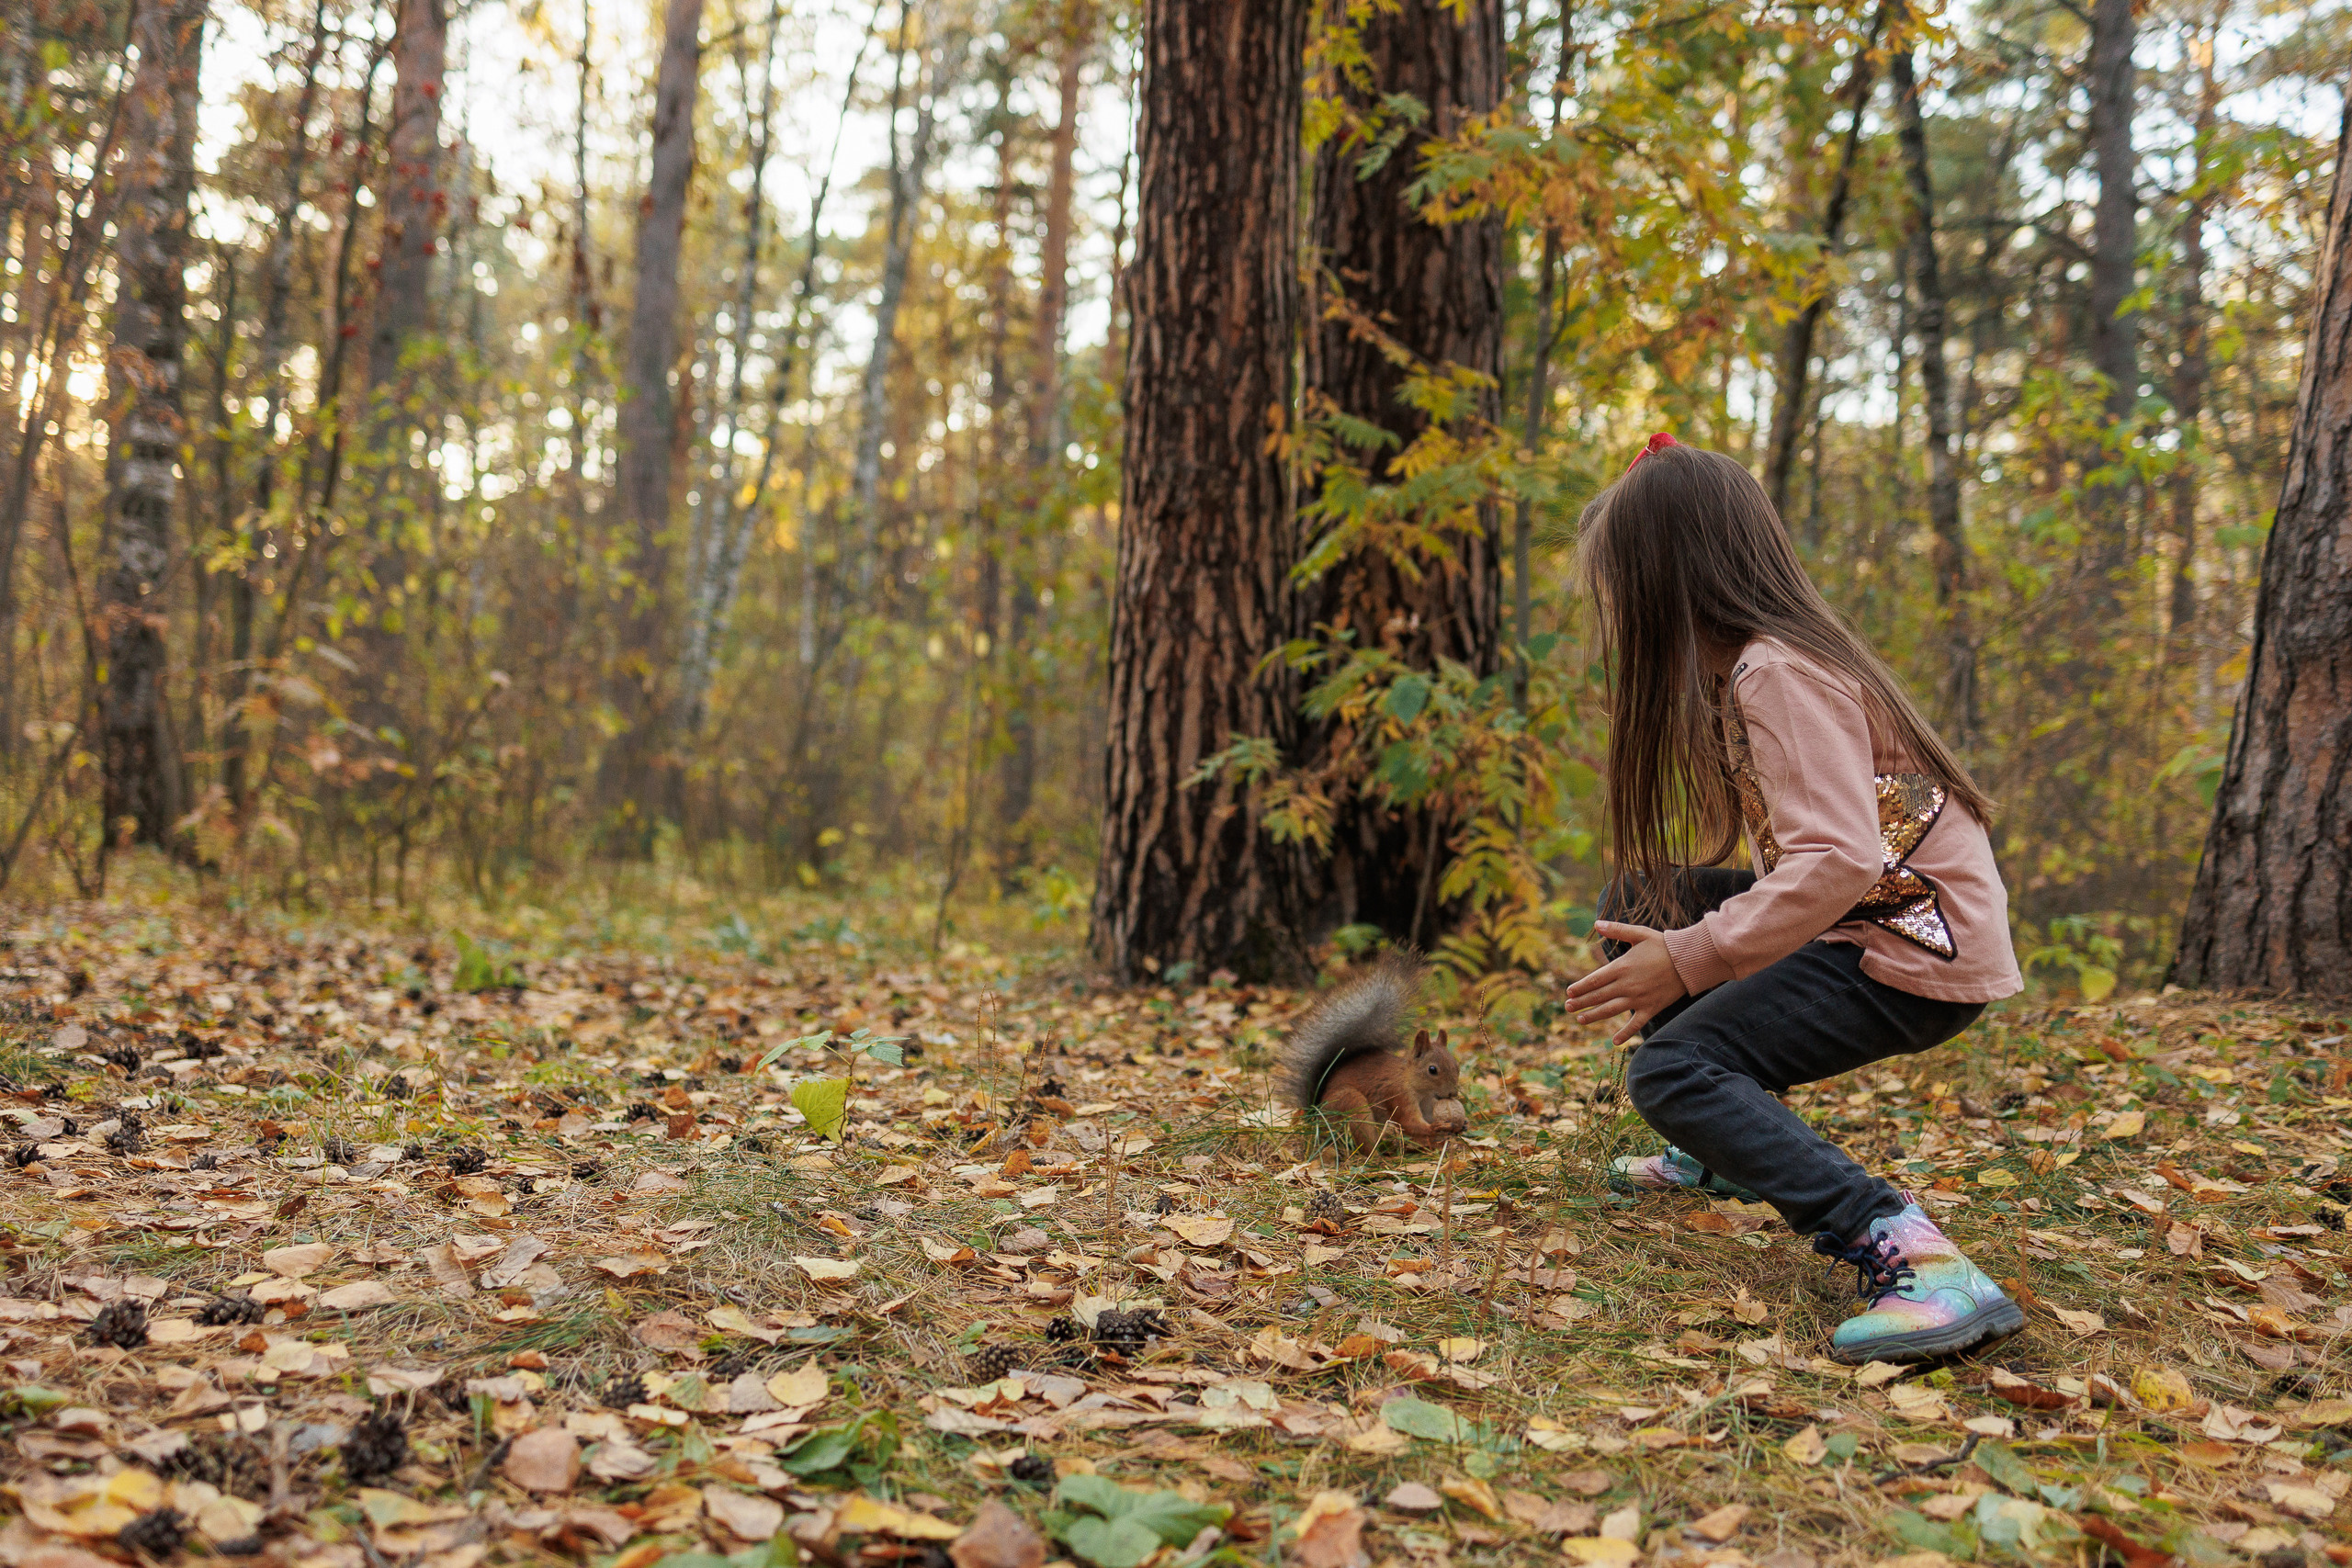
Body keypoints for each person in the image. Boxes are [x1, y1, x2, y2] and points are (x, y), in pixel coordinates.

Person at [1561, 434, 2025, 1365]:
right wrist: (1681, 935)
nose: (1616, 610)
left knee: (1672, 1071)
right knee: (1644, 899)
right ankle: (1720, 1150)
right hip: (1868, 918)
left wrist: (1691, 957)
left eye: (1621, 586)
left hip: (1905, 943)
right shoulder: (1755, 666)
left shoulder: (1776, 670)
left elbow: (1840, 859)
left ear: (1668, 580)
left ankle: (1917, 1258)